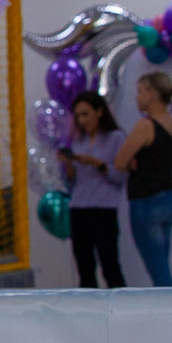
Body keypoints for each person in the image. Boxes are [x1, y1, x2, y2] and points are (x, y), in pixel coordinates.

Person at [113, 70, 172, 287]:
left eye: (140, 91)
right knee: (161, 264)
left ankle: (171, 313)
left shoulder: (146, 126)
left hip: (146, 201)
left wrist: (134, 162)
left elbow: (119, 162)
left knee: (159, 272)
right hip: (167, 199)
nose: (137, 97)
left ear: (152, 94)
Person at [58, 89, 127, 288]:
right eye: (78, 116)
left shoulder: (116, 138)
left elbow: (120, 176)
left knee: (110, 266)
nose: (82, 120)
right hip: (79, 209)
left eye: (86, 114)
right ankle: (87, 313)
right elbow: (72, 182)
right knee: (84, 267)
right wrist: (69, 164)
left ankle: (122, 311)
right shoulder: (78, 141)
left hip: (104, 209)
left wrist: (97, 164)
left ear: (100, 112)